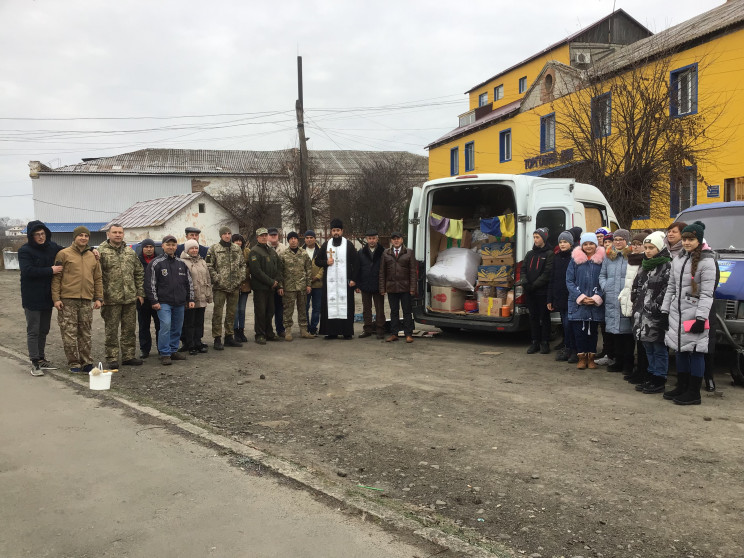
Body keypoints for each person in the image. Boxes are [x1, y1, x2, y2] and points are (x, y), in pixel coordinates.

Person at [661, 221, 717, 405]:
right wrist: (665, 310)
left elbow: (708, 294)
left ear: (699, 240)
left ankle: (694, 392)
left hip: (695, 315)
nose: (686, 242)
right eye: (684, 239)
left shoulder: (707, 262)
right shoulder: (678, 259)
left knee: (696, 351)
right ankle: (682, 386)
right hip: (678, 314)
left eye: (691, 239)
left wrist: (701, 318)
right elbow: (671, 287)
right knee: (680, 350)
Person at [51, 226, 103, 373]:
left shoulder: (93, 256)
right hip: (67, 300)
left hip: (86, 300)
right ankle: (74, 362)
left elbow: (98, 278)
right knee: (69, 332)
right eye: (80, 235)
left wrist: (99, 297)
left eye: (86, 236)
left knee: (85, 332)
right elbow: (56, 279)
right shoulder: (63, 254)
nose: (83, 238)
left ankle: (86, 362)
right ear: (74, 237)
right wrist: (56, 298)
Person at [18, 220, 65, 375]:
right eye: (37, 234)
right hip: (32, 297)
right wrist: (50, 270)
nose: (40, 237)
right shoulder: (25, 250)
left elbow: (68, 251)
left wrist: (91, 250)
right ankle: (34, 362)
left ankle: (41, 358)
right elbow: (27, 271)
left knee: (44, 329)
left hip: (47, 296)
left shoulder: (51, 247)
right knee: (33, 330)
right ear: (31, 236)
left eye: (42, 233)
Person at [631, 231, 672, 394]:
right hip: (641, 315)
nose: (647, 251)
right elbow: (637, 284)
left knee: (658, 348)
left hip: (655, 314)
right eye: (646, 247)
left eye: (651, 248)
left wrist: (656, 306)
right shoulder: (644, 265)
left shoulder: (667, 266)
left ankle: (659, 378)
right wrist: (635, 299)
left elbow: (668, 289)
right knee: (647, 346)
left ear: (660, 248)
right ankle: (650, 374)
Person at [99, 224, 145, 369]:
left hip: (130, 298)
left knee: (129, 329)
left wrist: (140, 293)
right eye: (115, 232)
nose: (118, 235)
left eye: (120, 232)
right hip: (110, 299)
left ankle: (128, 356)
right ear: (108, 234)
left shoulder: (129, 252)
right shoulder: (101, 252)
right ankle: (112, 357)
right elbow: (97, 276)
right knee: (111, 330)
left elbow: (138, 272)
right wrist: (100, 296)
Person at [145, 235, 195, 366]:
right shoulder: (156, 263)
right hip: (163, 302)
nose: (171, 247)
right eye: (168, 244)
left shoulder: (181, 263)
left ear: (176, 247)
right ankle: (165, 353)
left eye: (173, 245)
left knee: (177, 328)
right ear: (162, 246)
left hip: (179, 302)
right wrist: (154, 301)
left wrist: (190, 298)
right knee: (166, 326)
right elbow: (150, 284)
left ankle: (173, 350)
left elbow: (189, 283)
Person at [314, 218, 359, 340]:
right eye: (334, 230)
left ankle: (347, 332)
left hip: (345, 283)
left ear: (342, 231)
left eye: (338, 230)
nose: (336, 233)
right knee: (330, 306)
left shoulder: (348, 245)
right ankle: (331, 332)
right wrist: (326, 262)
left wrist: (354, 279)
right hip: (330, 285)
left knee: (346, 306)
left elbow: (356, 263)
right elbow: (317, 261)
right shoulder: (326, 245)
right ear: (331, 232)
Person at [566, 232, 606, 369]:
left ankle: (591, 358)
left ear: (596, 245)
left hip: (595, 304)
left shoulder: (602, 261)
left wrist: (597, 297)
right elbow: (569, 281)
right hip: (578, 304)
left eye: (591, 244)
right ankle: (581, 358)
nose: (588, 246)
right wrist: (581, 297)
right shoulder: (575, 261)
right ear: (581, 245)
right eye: (585, 244)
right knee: (579, 332)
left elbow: (605, 280)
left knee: (593, 333)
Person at [600, 229, 634, 374]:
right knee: (615, 333)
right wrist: (606, 287)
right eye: (616, 239)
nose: (618, 242)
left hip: (626, 299)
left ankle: (628, 363)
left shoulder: (631, 256)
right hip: (611, 298)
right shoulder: (609, 256)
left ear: (627, 240)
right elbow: (602, 275)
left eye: (621, 239)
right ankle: (618, 361)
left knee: (627, 334)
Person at [206, 225, 245, 350]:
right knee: (218, 313)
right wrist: (217, 278)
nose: (227, 236)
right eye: (225, 234)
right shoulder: (214, 249)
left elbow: (243, 265)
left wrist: (240, 278)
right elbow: (209, 266)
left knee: (231, 313)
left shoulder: (237, 249)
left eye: (229, 233)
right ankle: (217, 338)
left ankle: (229, 337)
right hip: (220, 287)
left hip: (234, 286)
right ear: (221, 235)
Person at [621, 231, 652, 384]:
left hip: (642, 305)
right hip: (630, 302)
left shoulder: (645, 261)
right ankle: (638, 370)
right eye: (634, 244)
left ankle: (644, 370)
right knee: (634, 338)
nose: (636, 247)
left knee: (642, 339)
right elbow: (628, 283)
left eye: (640, 245)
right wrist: (624, 296)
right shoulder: (630, 260)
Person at [380, 231, 416, 343]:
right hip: (391, 288)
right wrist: (382, 288)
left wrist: (412, 288)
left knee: (407, 311)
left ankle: (408, 334)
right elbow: (382, 272)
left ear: (402, 240)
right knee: (394, 311)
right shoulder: (386, 253)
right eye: (394, 239)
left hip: (405, 288)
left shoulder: (409, 253)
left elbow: (413, 272)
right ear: (391, 241)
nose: (396, 240)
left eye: (398, 238)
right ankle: (394, 333)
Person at [521, 227, 554, 354]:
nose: (535, 239)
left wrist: (534, 285)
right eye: (534, 237)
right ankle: (535, 341)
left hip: (542, 291)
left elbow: (547, 273)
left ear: (544, 238)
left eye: (538, 237)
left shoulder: (549, 254)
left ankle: (545, 342)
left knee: (544, 317)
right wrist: (525, 282)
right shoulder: (530, 254)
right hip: (530, 291)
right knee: (533, 317)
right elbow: (523, 269)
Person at [248, 227, 283, 344]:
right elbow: (256, 271)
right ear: (257, 237)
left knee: (270, 311)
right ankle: (260, 334)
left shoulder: (271, 251)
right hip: (260, 288)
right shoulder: (254, 251)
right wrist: (271, 282)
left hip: (271, 288)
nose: (264, 237)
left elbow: (279, 267)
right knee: (260, 312)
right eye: (261, 235)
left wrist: (276, 281)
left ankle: (269, 333)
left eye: (265, 235)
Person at [280, 231, 314, 341]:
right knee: (288, 310)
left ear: (298, 240)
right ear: (288, 241)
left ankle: (303, 329)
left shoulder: (304, 254)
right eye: (291, 239)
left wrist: (309, 284)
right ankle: (288, 330)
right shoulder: (283, 255)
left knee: (303, 309)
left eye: (295, 238)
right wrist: (280, 286)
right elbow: (280, 272)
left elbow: (308, 270)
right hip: (288, 287)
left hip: (302, 286)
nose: (293, 240)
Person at [181, 239, 212, 355]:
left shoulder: (202, 261)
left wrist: (209, 294)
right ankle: (190, 344)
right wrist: (187, 298)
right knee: (190, 322)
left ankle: (198, 341)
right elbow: (182, 282)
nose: (194, 250)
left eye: (196, 248)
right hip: (191, 297)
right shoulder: (182, 262)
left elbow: (208, 278)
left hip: (202, 296)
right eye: (192, 248)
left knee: (199, 321)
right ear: (187, 249)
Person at [548, 231, 575, 362]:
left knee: (569, 324)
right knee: (564, 325)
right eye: (560, 242)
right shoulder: (556, 257)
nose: (563, 244)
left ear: (570, 243)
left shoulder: (574, 258)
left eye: (565, 242)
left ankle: (571, 349)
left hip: (571, 297)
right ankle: (568, 347)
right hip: (559, 297)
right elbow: (552, 279)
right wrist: (550, 299)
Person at [356, 229, 386, 339]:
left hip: (378, 284)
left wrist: (385, 285)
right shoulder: (361, 252)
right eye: (369, 238)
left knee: (379, 309)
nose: (372, 240)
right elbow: (358, 269)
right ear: (366, 239)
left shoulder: (384, 252)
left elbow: (386, 269)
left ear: (377, 239)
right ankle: (367, 329)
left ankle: (380, 330)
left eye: (374, 238)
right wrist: (358, 285)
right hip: (365, 284)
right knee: (366, 308)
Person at [136, 239, 161, 358]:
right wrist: (138, 293)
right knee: (143, 325)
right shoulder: (137, 260)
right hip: (142, 298)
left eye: (151, 246)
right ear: (142, 248)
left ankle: (161, 348)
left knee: (160, 325)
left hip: (157, 298)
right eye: (146, 247)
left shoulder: (160, 259)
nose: (149, 249)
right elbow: (134, 277)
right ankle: (144, 349)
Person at [303, 230, 323, 336]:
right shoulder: (301, 251)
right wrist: (306, 279)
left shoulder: (320, 250)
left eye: (311, 237)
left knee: (317, 307)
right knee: (305, 306)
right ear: (305, 239)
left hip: (318, 284)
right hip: (305, 284)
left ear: (315, 238)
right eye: (307, 237)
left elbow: (324, 266)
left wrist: (318, 277)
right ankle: (306, 327)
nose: (309, 239)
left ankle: (314, 327)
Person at [268, 227, 287, 338]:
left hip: (280, 284)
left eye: (275, 235)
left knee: (280, 309)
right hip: (268, 284)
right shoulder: (264, 248)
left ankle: (280, 329)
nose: (273, 236)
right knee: (269, 309)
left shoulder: (284, 249)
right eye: (271, 235)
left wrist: (281, 284)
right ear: (268, 236)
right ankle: (268, 329)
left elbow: (285, 268)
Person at [232, 233, 251, 343]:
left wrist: (244, 274)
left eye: (240, 241)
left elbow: (250, 266)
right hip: (234, 285)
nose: (238, 242)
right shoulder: (230, 252)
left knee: (242, 309)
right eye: (236, 240)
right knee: (235, 310)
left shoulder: (247, 252)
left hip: (245, 284)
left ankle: (241, 330)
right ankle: (234, 331)